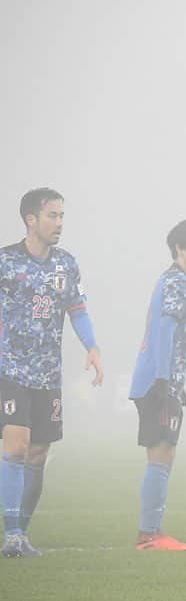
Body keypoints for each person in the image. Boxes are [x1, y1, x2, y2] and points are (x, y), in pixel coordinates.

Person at [1, 188, 103, 557]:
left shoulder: (66, 264)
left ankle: (22, 533)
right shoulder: (6, 262)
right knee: (16, 445)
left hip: (49, 375)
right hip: (10, 369)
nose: (59, 223)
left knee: (39, 453)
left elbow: (77, 308)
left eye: (62, 216)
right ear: (31, 219)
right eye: (52, 216)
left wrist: (91, 346)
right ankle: (11, 535)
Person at [129, 220, 186, 551]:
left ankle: (151, 532)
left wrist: (175, 381)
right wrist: (164, 380)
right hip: (157, 382)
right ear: (178, 248)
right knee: (162, 453)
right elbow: (164, 329)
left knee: (163, 453)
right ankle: (150, 535)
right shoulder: (178, 283)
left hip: (161, 380)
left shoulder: (172, 280)